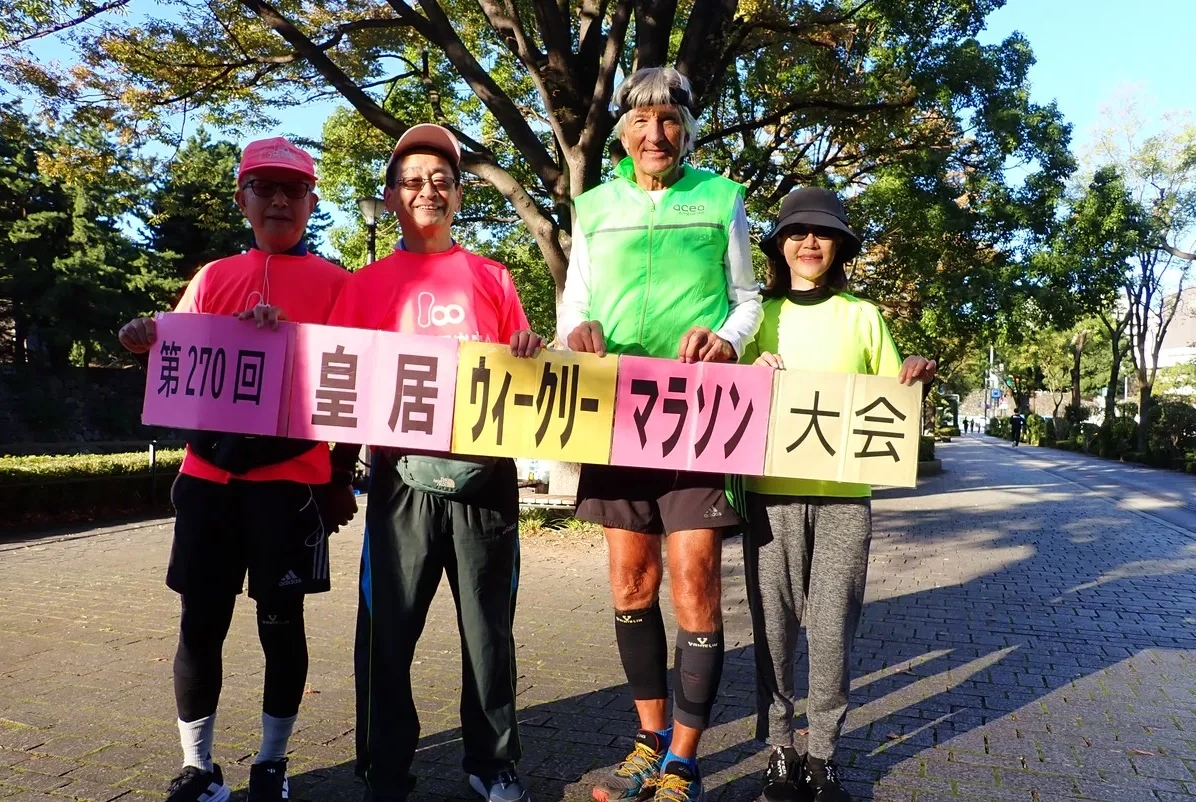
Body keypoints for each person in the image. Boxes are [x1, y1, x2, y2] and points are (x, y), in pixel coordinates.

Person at [117, 137, 357, 802]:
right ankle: (198, 765)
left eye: (293, 189)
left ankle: (272, 763)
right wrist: (144, 342)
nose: (279, 200)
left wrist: (339, 476)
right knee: (201, 624)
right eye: (264, 187)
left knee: (281, 625)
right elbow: (181, 370)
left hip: (290, 486)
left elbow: (358, 389)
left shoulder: (340, 285)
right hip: (208, 481)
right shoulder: (213, 276)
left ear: (312, 201)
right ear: (242, 198)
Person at [557, 66, 763, 802]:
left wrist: (730, 343)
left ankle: (684, 756)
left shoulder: (721, 199)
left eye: (669, 119)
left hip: (699, 418)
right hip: (615, 415)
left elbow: (747, 300)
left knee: (695, 583)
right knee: (629, 584)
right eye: (641, 120)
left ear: (686, 128)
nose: (655, 133)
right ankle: (647, 739)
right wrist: (572, 331)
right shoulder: (593, 206)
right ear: (622, 132)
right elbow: (573, 301)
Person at [327, 124, 542, 802]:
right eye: (413, 180)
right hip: (398, 481)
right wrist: (335, 477)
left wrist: (531, 351)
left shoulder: (493, 276)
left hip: (486, 480)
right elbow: (335, 387)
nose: (429, 190)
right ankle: (384, 769)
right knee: (385, 633)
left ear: (458, 198)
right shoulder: (362, 287)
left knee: (488, 633)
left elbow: (525, 374)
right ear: (390, 196)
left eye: (443, 180)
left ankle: (492, 761)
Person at [739, 187, 936, 802]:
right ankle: (779, 751)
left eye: (822, 234)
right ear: (778, 245)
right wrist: (748, 370)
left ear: (840, 246)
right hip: (768, 498)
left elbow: (894, 403)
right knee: (771, 629)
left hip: (844, 499)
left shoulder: (864, 316)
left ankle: (822, 754)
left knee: (830, 630)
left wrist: (913, 378)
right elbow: (723, 399)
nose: (808, 242)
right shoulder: (752, 316)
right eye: (796, 232)